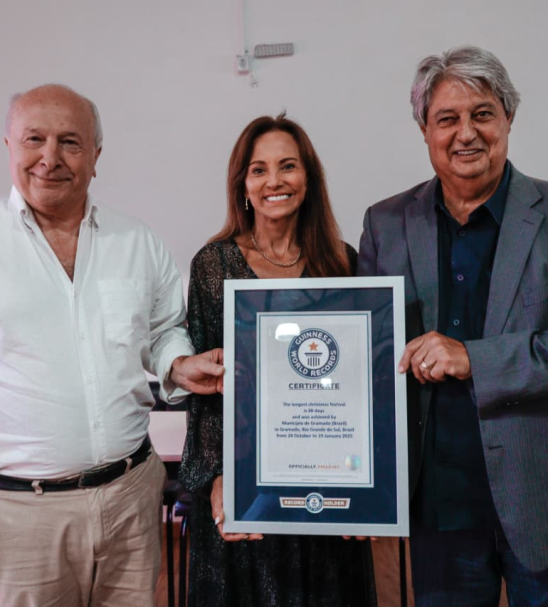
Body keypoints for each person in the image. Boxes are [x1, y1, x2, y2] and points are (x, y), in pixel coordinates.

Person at [0, 83, 224, 606]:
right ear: (8, 146)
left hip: (131, 496)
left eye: (70, 142)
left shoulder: (136, 241)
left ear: (95, 156)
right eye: (34, 139)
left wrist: (177, 363)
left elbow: (162, 331)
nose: (50, 158)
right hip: (20, 511)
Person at [358, 46, 548, 605]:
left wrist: (474, 358)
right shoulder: (385, 223)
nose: (466, 133)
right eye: (447, 118)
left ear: (509, 118)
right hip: (438, 503)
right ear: (424, 129)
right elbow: (369, 351)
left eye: (482, 113)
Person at [179, 114, 377, 606]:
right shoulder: (214, 265)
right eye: (258, 169)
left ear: (308, 179)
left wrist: (369, 488)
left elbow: (363, 385)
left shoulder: (344, 264)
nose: (274, 181)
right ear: (243, 185)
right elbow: (207, 390)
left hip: (328, 482)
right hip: (246, 483)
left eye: (287, 166)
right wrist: (218, 476)